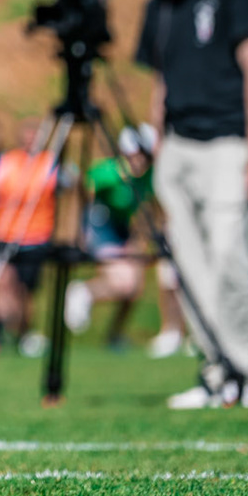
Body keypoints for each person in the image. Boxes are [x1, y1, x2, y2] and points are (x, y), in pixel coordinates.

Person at [135, 0, 248, 409]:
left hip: (228, 143)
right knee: (190, 270)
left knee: (231, 257)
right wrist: (154, 146)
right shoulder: (159, 6)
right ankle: (217, 373)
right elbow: (161, 84)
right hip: (178, 149)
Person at [64, 126, 157, 347]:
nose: (139, 161)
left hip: (122, 230)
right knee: (124, 284)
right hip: (100, 228)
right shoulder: (109, 173)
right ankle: (84, 292)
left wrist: (140, 241)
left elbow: (150, 209)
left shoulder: (149, 176)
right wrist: (77, 233)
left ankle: (114, 335)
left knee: (135, 289)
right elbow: (81, 193)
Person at [0, 117, 59, 358]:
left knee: (26, 292)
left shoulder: (50, 161)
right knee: (1, 283)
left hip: (36, 236)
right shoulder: (7, 161)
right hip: (4, 234)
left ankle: (23, 333)